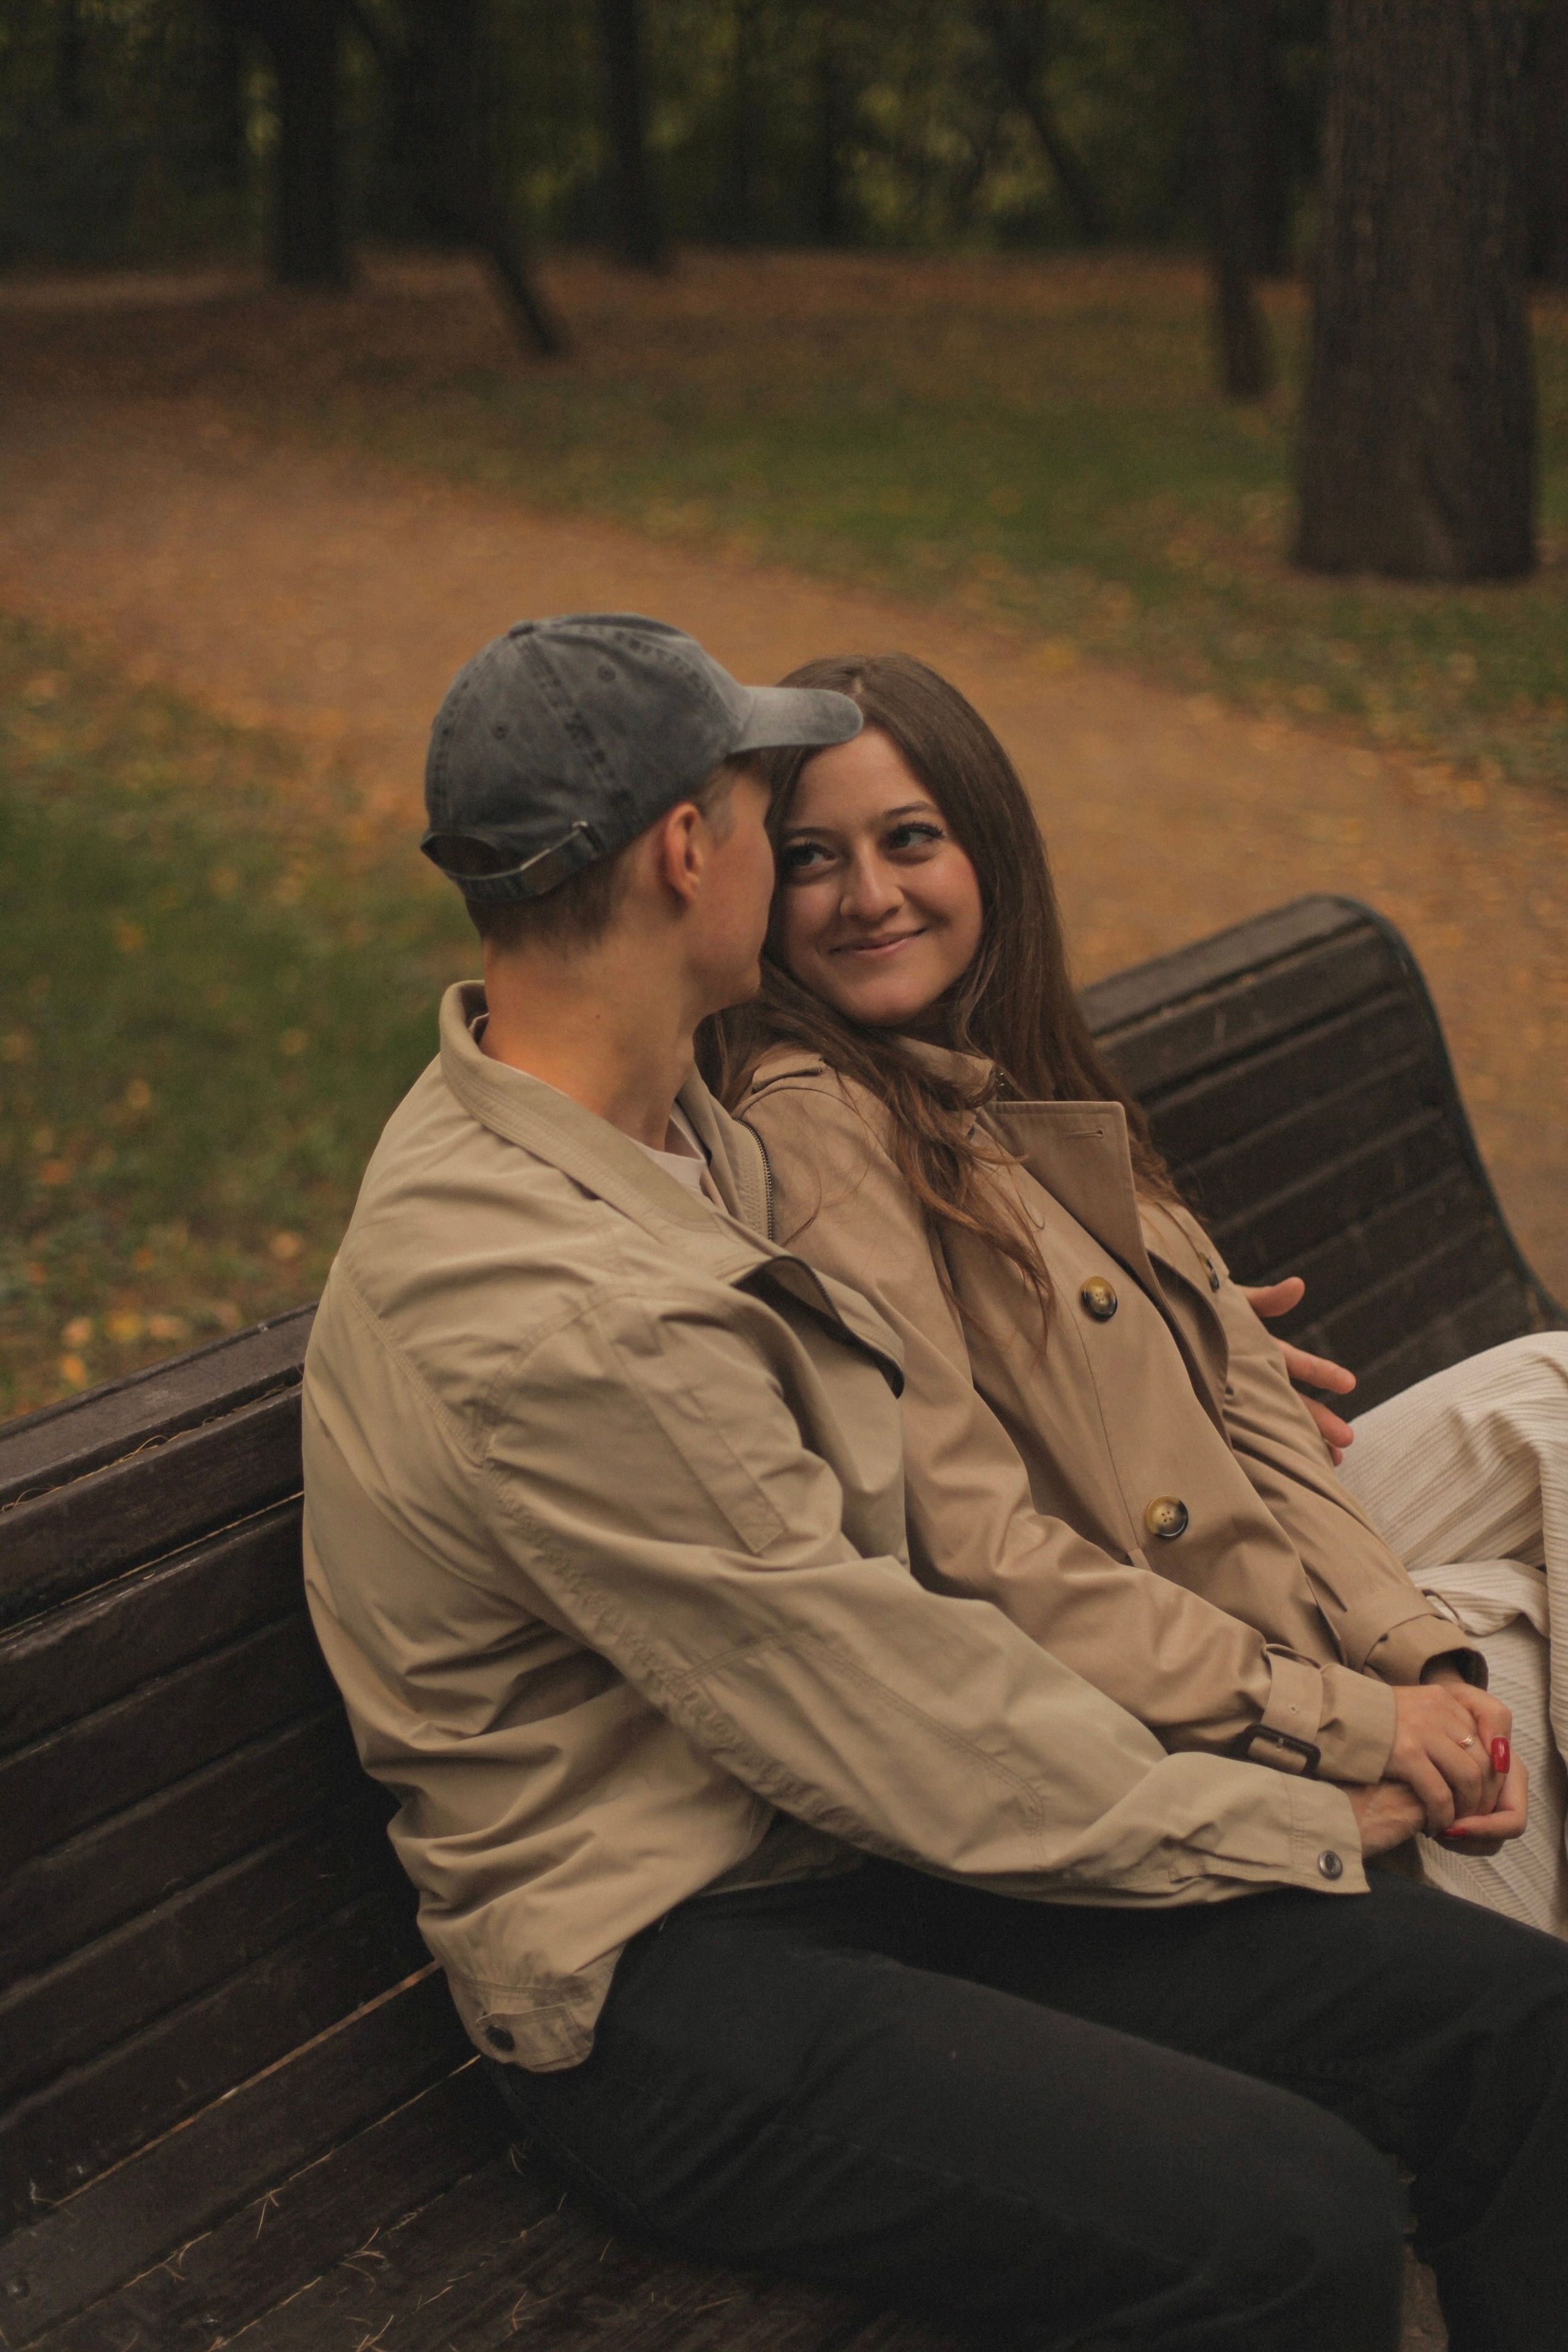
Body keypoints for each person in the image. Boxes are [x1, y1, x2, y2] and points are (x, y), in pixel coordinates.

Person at [303, 612, 1568, 2352]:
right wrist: (1283, 1811)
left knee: (1520, 2031)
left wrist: (1166, 1360)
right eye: (772, 815)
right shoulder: (559, 1312)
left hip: (856, 1842)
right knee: (1293, 2224)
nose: (806, 865)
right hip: (677, 1965)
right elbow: (873, 1703)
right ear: (689, 853)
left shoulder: (661, 1130)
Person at [706, 648, 1567, 1933]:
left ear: (986, 849)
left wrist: (1414, 1655)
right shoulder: (817, 1125)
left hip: (1227, 1569)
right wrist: (1361, 1712)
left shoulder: (996, 1067)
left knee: (1543, 1431)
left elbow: (1249, 1404)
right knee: (1518, 1642)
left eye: (908, 839)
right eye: (811, 858)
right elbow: (974, 1545)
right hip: (1147, 1660)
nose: (868, 896)